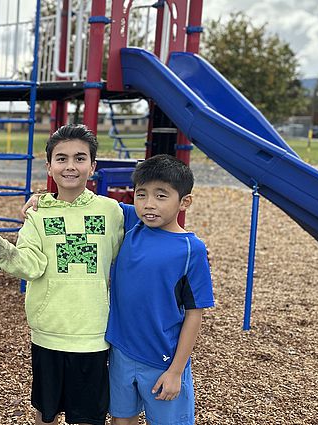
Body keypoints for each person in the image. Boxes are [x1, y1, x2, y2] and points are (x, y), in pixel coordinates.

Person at [0, 124, 123, 425]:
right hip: (48, 332)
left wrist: (184, 245)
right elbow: (29, 266)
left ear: (93, 165)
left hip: (93, 334)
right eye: (61, 159)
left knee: (89, 416)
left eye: (79, 158)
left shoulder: (112, 212)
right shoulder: (38, 215)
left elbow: (147, 231)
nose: (71, 166)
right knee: (45, 412)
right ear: (49, 166)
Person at [106, 154, 214, 425]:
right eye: (141, 195)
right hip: (120, 352)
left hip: (163, 359)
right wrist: (44, 199)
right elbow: (88, 206)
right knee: (122, 419)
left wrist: (176, 371)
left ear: (184, 202)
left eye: (161, 196)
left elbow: (194, 313)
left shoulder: (192, 250)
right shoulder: (132, 223)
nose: (149, 204)